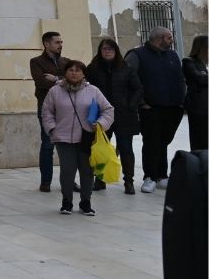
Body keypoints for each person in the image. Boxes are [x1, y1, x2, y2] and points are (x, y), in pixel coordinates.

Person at [41, 60, 115, 215]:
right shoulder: (55, 91)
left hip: (86, 138)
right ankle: (67, 201)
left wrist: (100, 124)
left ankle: (85, 202)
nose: (74, 73)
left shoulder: (93, 90)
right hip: (63, 138)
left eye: (78, 70)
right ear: (65, 72)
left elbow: (108, 109)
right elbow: (47, 111)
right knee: (67, 171)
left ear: (83, 74)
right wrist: (52, 128)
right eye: (71, 70)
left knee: (87, 171)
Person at [127, 27, 186, 193]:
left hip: (173, 107)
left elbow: (180, 78)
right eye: (169, 38)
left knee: (163, 141)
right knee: (152, 141)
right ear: (159, 39)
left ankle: (161, 176)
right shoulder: (137, 55)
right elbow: (129, 78)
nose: (171, 40)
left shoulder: (172, 55)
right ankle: (150, 177)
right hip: (150, 108)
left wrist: (182, 100)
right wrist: (141, 102)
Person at [85, 38, 142, 193]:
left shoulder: (126, 68)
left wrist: (130, 104)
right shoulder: (93, 68)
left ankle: (128, 181)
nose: (107, 51)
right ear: (100, 51)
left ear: (116, 51)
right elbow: (86, 88)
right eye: (104, 49)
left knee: (126, 148)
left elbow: (137, 89)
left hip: (124, 114)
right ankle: (100, 179)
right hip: (102, 115)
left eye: (110, 49)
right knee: (101, 147)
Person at [29, 32, 67, 192]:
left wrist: (56, 79)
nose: (60, 45)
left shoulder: (67, 62)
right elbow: (42, 83)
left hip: (67, 109)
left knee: (68, 147)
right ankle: (45, 182)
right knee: (47, 145)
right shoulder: (36, 62)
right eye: (57, 42)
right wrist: (64, 81)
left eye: (61, 42)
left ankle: (69, 180)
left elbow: (77, 79)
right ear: (46, 44)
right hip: (47, 109)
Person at [184, 35, 208, 151]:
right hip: (199, 109)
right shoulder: (189, 62)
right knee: (200, 141)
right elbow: (199, 79)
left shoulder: (204, 65)